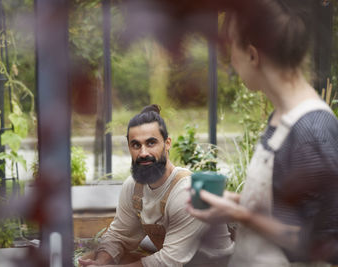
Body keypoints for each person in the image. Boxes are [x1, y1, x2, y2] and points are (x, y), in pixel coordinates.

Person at [186, 0, 338, 266]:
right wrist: (235, 203)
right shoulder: (281, 117)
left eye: (232, 46)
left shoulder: (312, 132)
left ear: (253, 55)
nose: (230, 60)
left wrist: (242, 215)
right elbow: (285, 210)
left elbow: (322, 244)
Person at [79, 104, 234, 267]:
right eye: (136, 145)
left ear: (167, 143)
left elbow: (168, 262)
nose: (143, 153)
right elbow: (118, 236)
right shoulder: (133, 188)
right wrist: (99, 263)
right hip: (176, 260)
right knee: (96, 255)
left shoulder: (187, 192)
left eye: (151, 143)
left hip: (214, 264)